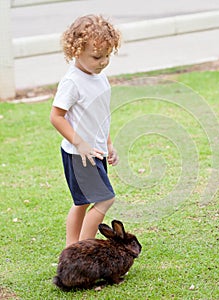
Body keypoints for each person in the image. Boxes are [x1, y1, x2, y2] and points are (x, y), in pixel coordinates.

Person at [50, 15, 121, 247]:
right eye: (97, 56)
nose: (103, 62)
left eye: (108, 56)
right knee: (104, 199)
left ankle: (72, 248)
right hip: (79, 153)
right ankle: (84, 249)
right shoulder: (73, 81)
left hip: (95, 152)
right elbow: (56, 117)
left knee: (82, 202)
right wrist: (80, 143)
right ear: (76, 51)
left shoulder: (100, 78)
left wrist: (108, 144)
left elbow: (101, 116)